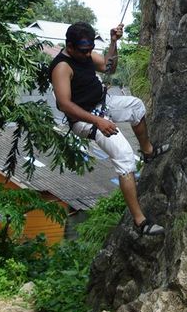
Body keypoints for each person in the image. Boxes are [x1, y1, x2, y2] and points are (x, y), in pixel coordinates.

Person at [49, 21, 170, 235]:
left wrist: (114, 42)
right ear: (70, 47)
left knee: (136, 106)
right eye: (84, 51)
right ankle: (140, 221)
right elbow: (65, 104)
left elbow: (109, 68)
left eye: (90, 50)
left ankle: (148, 151)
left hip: (101, 105)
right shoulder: (62, 67)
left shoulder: (85, 55)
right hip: (85, 120)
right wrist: (98, 122)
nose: (88, 55)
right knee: (124, 156)